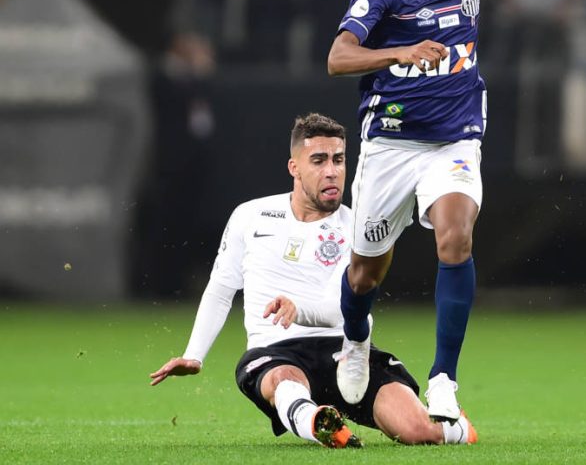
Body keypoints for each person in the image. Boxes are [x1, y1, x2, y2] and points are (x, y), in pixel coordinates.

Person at [149, 113, 477, 447]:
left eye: (338, 159)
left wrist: (300, 309)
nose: (332, 170)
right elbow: (221, 290)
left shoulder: (361, 229)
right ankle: (319, 423)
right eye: (318, 161)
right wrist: (194, 355)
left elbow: (351, 308)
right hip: (277, 352)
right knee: (282, 379)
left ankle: (457, 428)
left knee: (417, 431)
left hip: (348, 353)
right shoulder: (250, 216)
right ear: (294, 167)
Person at [326, 0, 484, 422]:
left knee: (455, 238)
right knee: (365, 275)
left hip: (456, 135)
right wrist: (401, 52)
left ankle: (443, 379)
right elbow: (338, 58)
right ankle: (355, 337)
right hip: (392, 142)